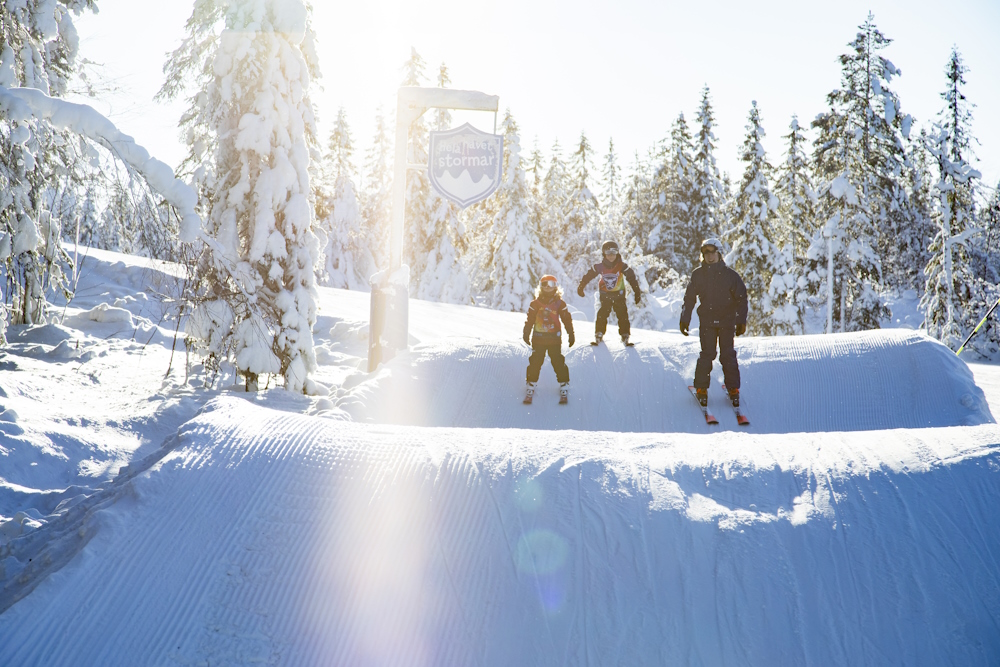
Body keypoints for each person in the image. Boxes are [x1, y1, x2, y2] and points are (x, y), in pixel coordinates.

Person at [679, 238, 748, 407]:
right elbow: (689, 299)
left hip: (727, 322)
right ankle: (701, 388)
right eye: (706, 253)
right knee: (707, 354)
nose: (710, 256)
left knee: (727, 355)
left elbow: (741, 298)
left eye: (712, 252)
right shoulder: (698, 274)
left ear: (719, 253)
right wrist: (685, 318)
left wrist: (741, 321)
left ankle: (733, 389)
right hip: (707, 322)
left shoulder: (730, 275)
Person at [576, 241, 642, 346]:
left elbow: (632, 278)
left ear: (617, 253)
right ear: (604, 254)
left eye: (613, 252)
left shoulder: (622, 266)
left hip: (619, 296)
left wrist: (637, 292)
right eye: (608, 253)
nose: (611, 256)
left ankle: (625, 335)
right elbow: (588, 275)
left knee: (623, 315)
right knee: (602, 314)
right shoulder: (600, 266)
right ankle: (599, 333)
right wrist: (581, 286)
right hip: (605, 296)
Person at [522, 274, 575, 403]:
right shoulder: (535, 304)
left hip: (554, 339)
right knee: (535, 361)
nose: (547, 287)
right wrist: (526, 333)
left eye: (551, 284)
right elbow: (529, 320)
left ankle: (564, 383)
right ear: (540, 287)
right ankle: (531, 384)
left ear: (556, 287)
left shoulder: (560, 304)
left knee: (557, 361)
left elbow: (567, 319)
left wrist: (571, 333)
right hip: (538, 338)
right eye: (544, 284)